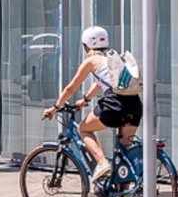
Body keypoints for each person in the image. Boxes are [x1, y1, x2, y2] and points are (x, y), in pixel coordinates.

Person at [41, 26, 142, 184]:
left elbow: (71, 88)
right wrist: (85, 100)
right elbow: (101, 83)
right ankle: (122, 193)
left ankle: (102, 163)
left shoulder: (91, 61)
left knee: (84, 128)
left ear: (86, 45)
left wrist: (55, 107)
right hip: (135, 105)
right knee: (125, 149)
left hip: (115, 105)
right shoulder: (114, 58)